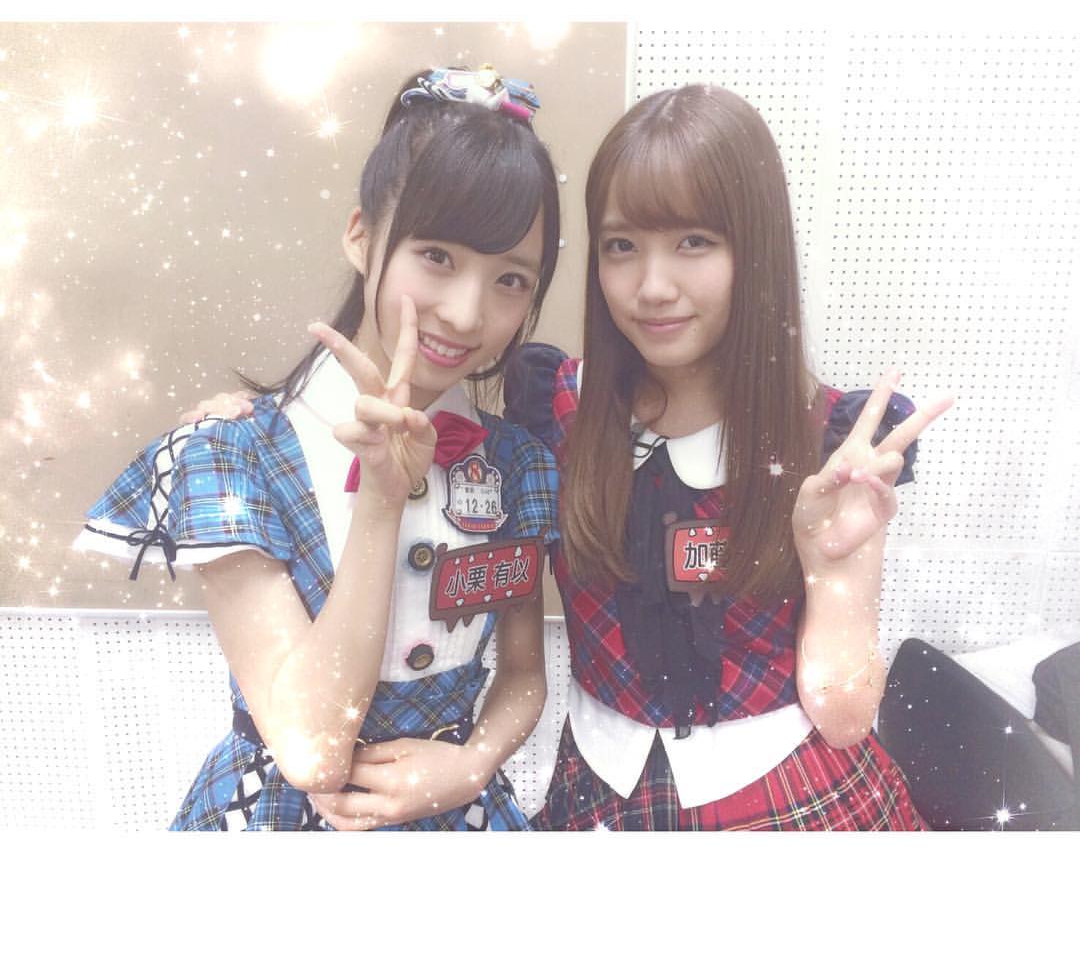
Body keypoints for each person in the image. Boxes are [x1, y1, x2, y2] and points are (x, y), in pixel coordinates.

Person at [74, 66, 561, 831]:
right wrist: (381, 500)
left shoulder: (519, 466)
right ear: (362, 236)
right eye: (437, 256)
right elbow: (313, 751)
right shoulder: (231, 456)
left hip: (458, 808)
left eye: (510, 280)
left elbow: (524, 674)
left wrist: (473, 764)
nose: (468, 314)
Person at [504, 83, 953, 830]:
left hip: (792, 801)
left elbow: (844, 717)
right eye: (621, 246)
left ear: (756, 249)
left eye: (694, 242)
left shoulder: (828, 445)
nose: (652, 288)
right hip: (594, 794)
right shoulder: (554, 408)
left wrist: (834, 567)